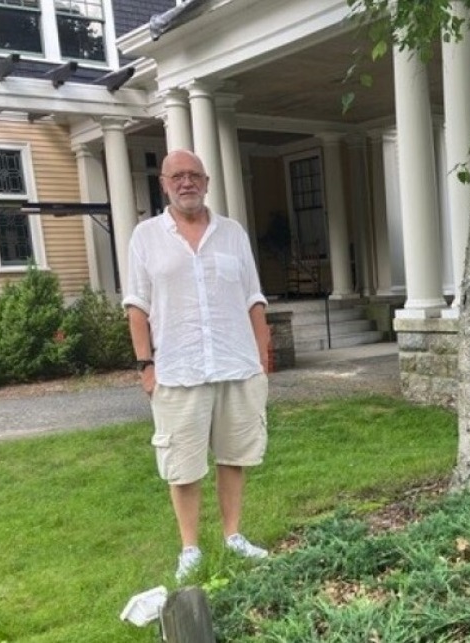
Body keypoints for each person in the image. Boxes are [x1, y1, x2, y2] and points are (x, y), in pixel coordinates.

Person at [122, 149, 272, 583]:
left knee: (234, 455)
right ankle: (190, 547)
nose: (186, 183)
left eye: (194, 175)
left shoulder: (233, 233)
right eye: (177, 177)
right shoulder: (146, 236)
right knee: (182, 464)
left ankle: (233, 536)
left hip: (236, 363)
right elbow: (137, 307)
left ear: (206, 182)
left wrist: (261, 360)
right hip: (178, 369)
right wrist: (145, 367)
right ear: (164, 185)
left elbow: (253, 298)